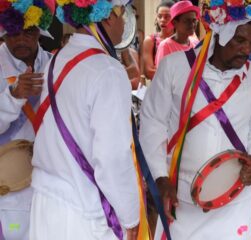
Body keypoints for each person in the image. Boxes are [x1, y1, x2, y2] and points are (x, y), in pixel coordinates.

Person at [139, 1, 251, 239]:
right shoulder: (174, 66)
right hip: (180, 197)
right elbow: (153, 124)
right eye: (239, 40)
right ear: (219, 34)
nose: (247, 49)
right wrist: (160, 177)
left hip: (235, 200)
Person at [29, 0, 140, 239]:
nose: (124, 22)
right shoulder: (108, 70)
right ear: (109, 17)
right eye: (123, 14)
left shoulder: (55, 60)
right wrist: (130, 217)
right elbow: (112, 158)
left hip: (44, 203)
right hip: (83, 212)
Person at [0, 1, 54, 239]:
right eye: (14, 32)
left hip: (51, 185)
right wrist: (12, 97)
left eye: (29, 31)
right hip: (9, 188)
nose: (21, 39)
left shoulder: (57, 64)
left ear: (40, 32)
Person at [154, 0, 200, 67]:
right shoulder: (165, 46)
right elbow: (163, 74)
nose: (192, 24)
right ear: (175, 23)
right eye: (187, 21)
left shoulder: (196, 44)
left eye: (194, 20)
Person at [142, 0, 175, 80]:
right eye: (159, 16)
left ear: (175, 18)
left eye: (167, 16)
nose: (162, 20)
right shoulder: (150, 40)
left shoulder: (183, 39)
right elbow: (149, 72)